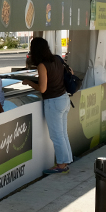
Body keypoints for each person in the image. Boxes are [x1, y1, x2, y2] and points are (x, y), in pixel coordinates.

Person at [23, 37, 72, 174]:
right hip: (64, 98)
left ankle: (61, 165)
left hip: (53, 101)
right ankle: (66, 161)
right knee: (63, 133)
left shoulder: (42, 65)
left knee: (57, 136)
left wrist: (29, 82)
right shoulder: (57, 59)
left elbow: (43, 88)